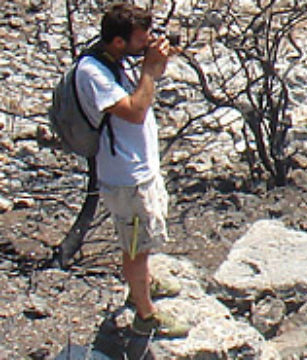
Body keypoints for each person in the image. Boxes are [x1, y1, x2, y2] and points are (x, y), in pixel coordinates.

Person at [75, 2, 190, 337]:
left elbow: (142, 91)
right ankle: (145, 315)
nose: (147, 44)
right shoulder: (92, 73)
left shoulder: (116, 61)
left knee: (143, 239)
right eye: (141, 40)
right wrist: (150, 70)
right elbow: (136, 110)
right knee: (136, 248)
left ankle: (144, 283)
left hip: (141, 172)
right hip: (127, 180)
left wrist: (154, 63)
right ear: (118, 42)